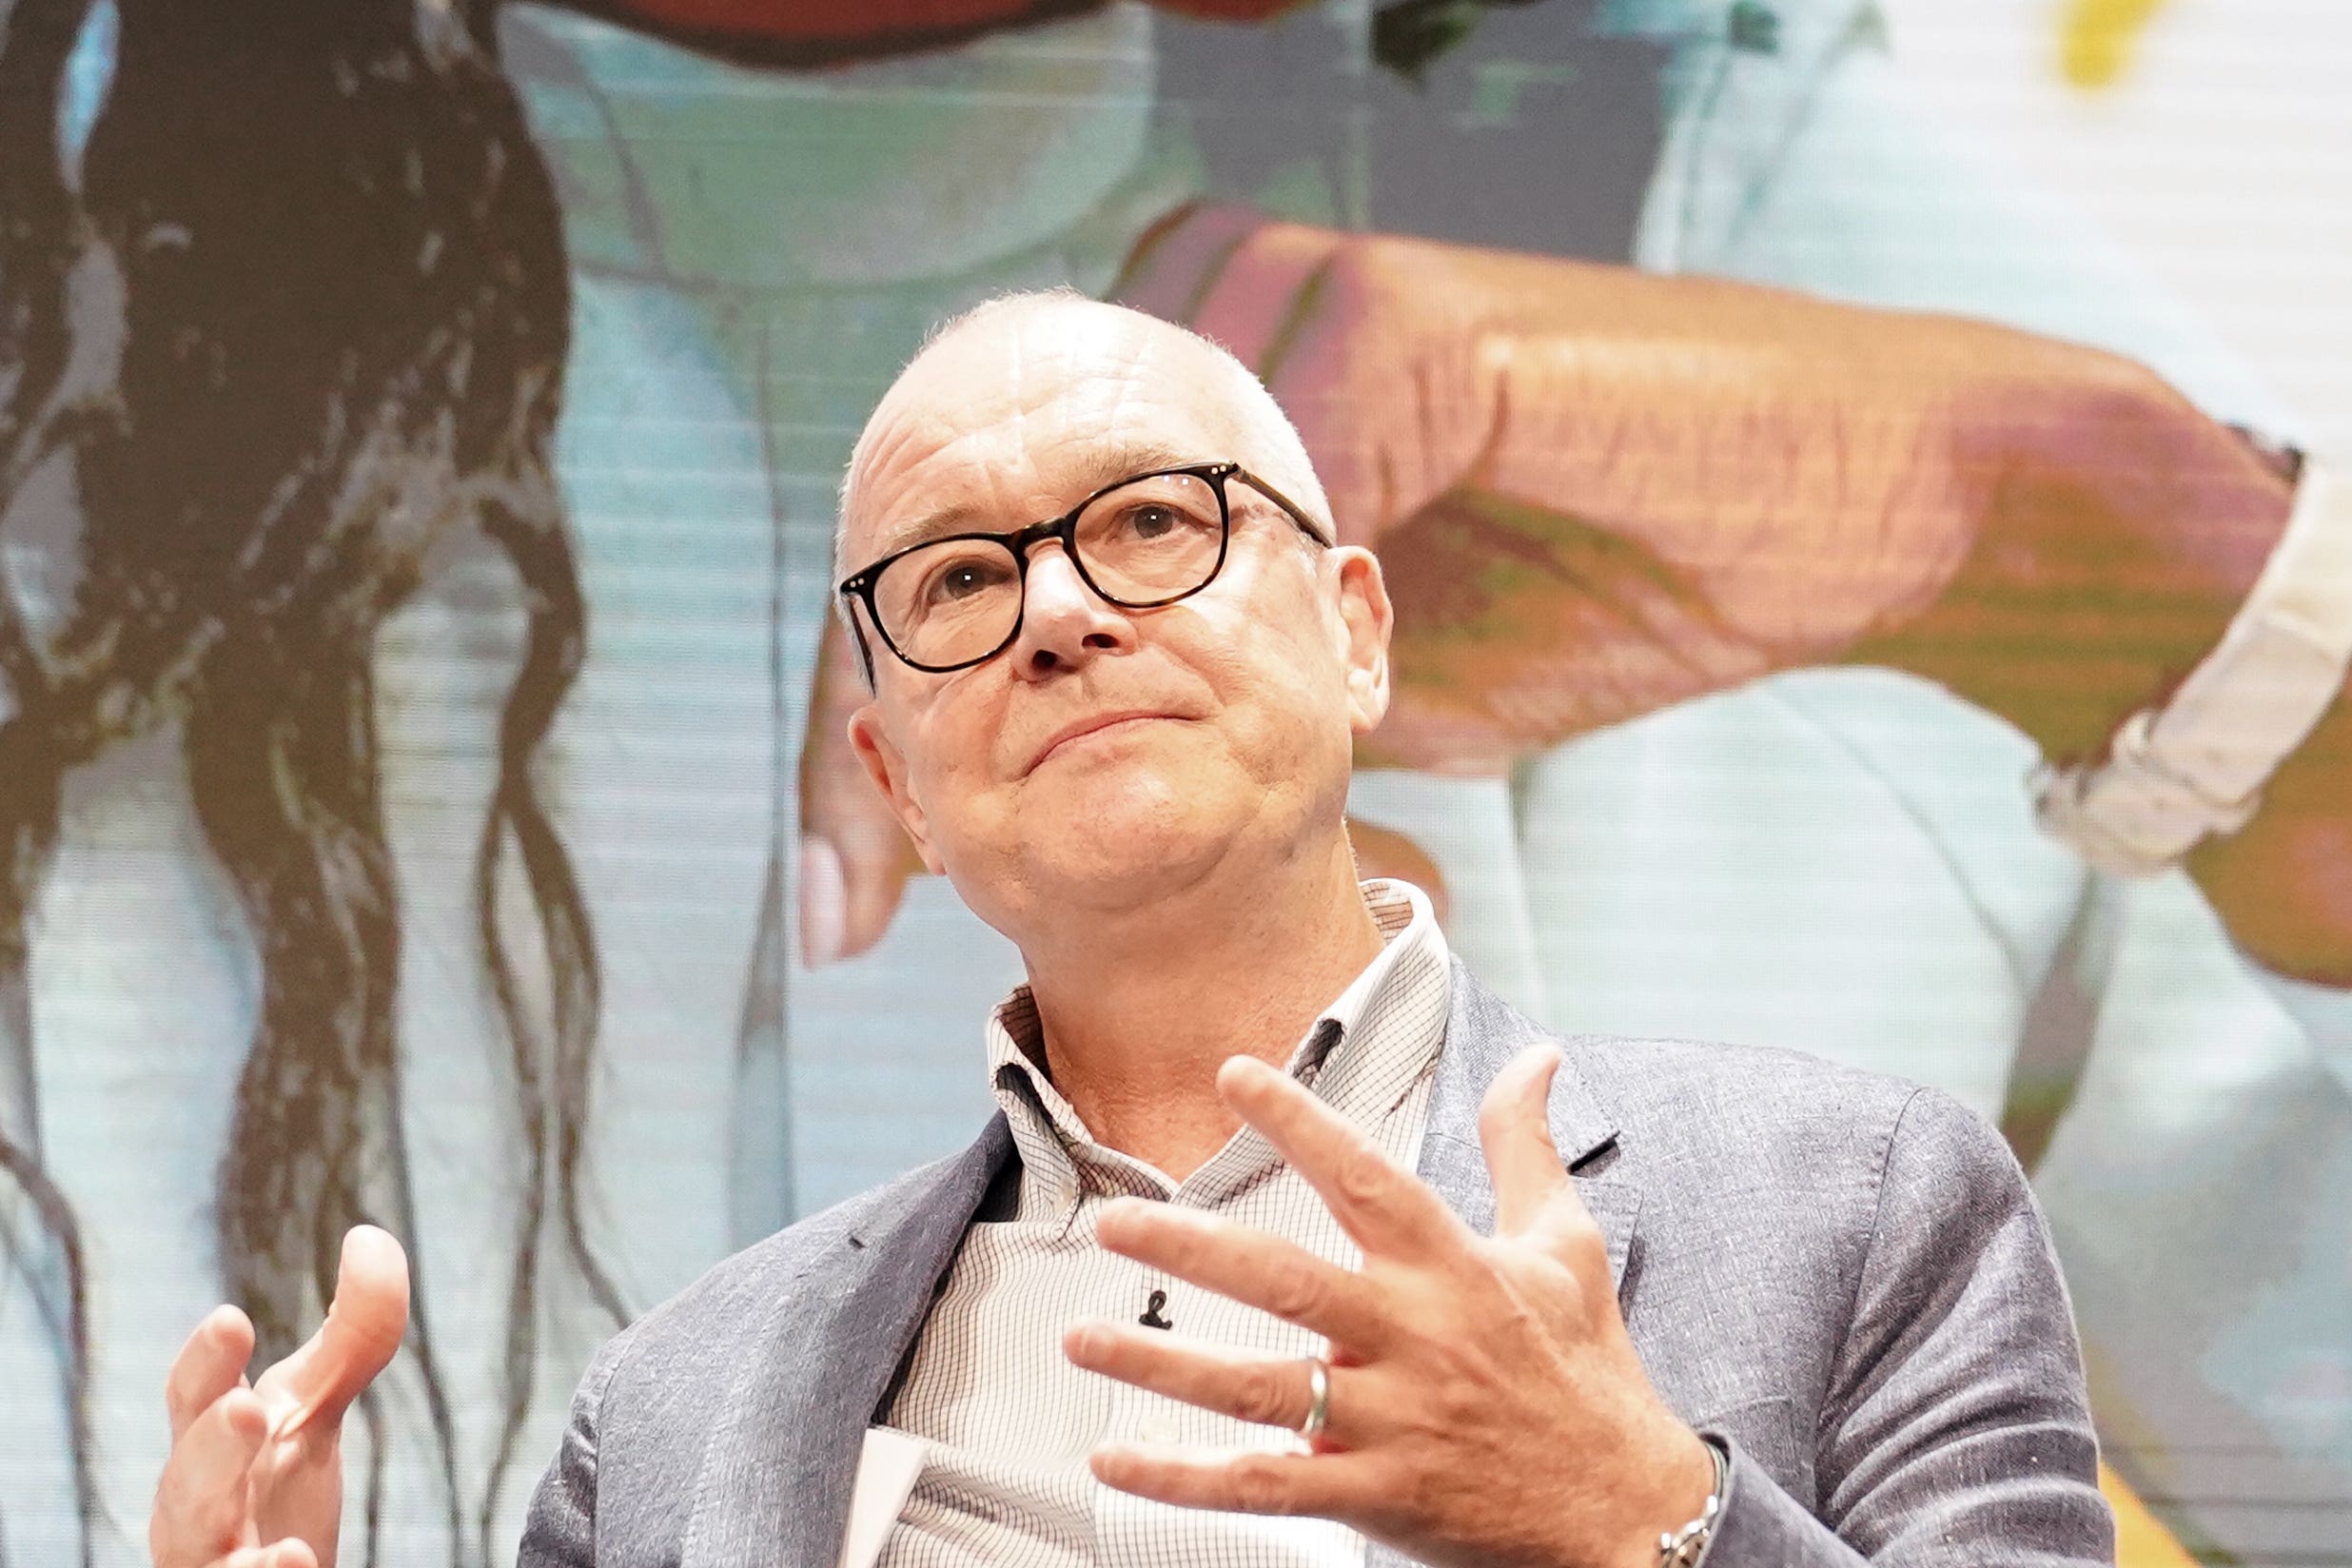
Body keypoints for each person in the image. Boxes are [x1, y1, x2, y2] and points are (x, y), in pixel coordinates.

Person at [148, 292, 2112, 1568]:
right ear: (893, 778)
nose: (1062, 613)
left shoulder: (1860, 1200)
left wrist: (1650, 1515)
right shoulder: (673, 1409)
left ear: (1358, 626)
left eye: (1155, 524)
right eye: (960, 577)